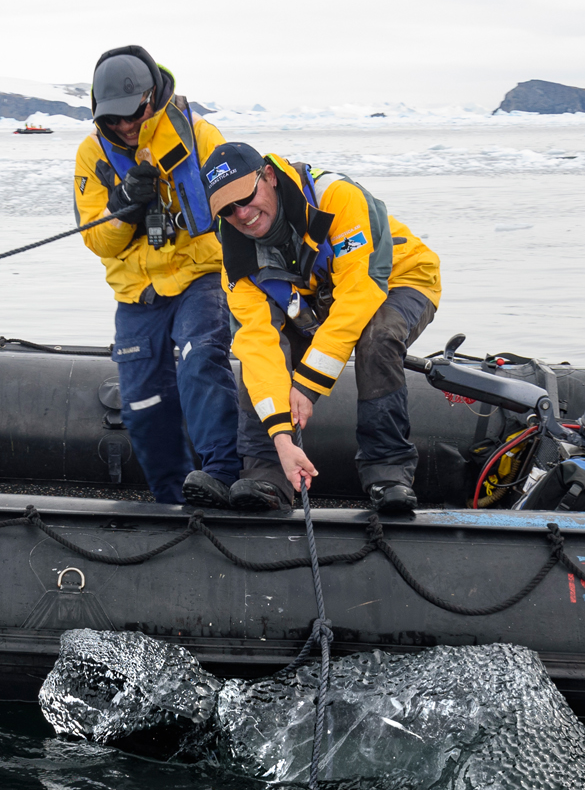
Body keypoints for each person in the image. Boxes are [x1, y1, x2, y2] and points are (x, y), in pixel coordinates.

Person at [202, 143, 442, 515]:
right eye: (227, 210)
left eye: (245, 198)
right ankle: (267, 475)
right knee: (262, 359)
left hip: (398, 279)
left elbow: (360, 295)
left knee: (377, 336)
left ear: (268, 177)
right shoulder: (235, 258)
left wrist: (308, 384)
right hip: (318, 300)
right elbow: (257, 344)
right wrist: (282, 436)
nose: (242, 214)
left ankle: (388, 472)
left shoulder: (337, 198)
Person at [72, 46, 240, 507]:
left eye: (134, 113)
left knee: (200, 358)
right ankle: (173, 500)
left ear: (152, 97)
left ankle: (221, 475)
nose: (125, 125)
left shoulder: (199, 135)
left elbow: (232, 211)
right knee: (143, 406)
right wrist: (125, 203)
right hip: (137, 293)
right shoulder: (92, 156)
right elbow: (97, 240)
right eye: (113, 119)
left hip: (199, 277)